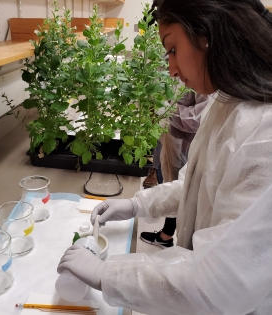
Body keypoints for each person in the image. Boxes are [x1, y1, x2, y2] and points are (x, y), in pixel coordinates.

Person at [57, 1, 272, 314]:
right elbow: (194, 183)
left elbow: (220, 283)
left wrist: (108, 274)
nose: (170, 68)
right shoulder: (225, 101)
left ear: (208, 35)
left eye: (172, 48)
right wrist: (136, 205)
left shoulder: (263, 132)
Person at [142, 92, 210, 248]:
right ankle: (166, 235)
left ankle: (175, 239)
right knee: (172, 182)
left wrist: (168, 108)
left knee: (185, 190)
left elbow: (198, 119)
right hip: (171, 137)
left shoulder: (204, 75)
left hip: (185, 144)